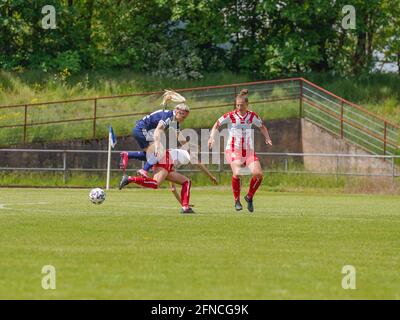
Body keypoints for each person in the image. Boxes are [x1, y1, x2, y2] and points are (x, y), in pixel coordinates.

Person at [208, 89, 272, 213]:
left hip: (248, 150)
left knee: (258, 174)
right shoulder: (230, 115)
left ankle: (249, 196)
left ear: (247, 105)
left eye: (241, 105)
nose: (239, 107)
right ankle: (236, 200)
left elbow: (262, 126)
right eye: (237, 105)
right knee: (237, 173)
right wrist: (211, 137)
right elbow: (216, 124)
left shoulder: (252, 116)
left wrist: (267, 137)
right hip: (232, 149)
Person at [119, 145, 218, 214]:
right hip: (164, 159)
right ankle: (130, 179)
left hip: (165, 161)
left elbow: (173, 189)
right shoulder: (187, 153)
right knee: (156, 184)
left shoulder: (176, 156)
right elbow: (199, 164)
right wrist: (211, 177)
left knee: (186, 182)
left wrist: (183, 203)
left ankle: (185, 207)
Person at [119, 90, 189, 178]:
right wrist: (156, 145)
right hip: (141, 129)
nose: (183, 119)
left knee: (153, 156)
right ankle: (144, 170)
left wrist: (188, 148)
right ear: (178, 112)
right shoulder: (168, 116)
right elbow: (157, 130)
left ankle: (128, 155)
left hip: (141, 130)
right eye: (183, 117)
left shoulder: (174, 121)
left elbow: (179, 136)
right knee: (159, 153)